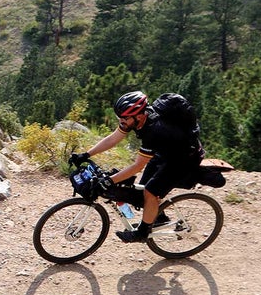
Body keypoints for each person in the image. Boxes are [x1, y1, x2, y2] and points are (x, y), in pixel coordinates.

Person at [71, 91, 204, 243]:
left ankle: (142, 233)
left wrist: (109, 181)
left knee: (150, 191)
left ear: (139, 116)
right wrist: (86, 154)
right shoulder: (134, 119)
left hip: (184, 159)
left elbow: (137, 166)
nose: (121, 121)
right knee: (142, 189)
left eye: (124, 118)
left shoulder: (154, 131)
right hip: (165, 152)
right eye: (119, 117)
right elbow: (113, 139)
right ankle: (159, 217)